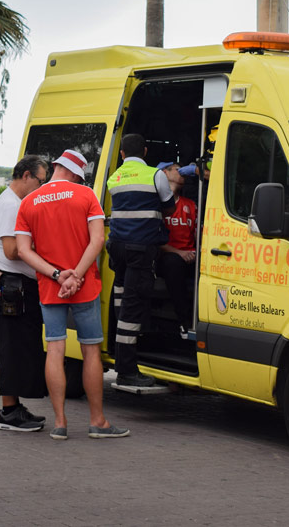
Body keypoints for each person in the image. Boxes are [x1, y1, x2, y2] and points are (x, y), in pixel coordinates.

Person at [15, 149, 129, 440]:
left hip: (50, 287)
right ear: (77, 174)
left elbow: (23, 251)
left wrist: (57, 275)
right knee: (91, 351)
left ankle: (60, 423)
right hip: (84, 286)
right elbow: (98, 240)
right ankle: (97, 421)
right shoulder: (86, 195)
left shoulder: (28, 202)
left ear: (56, 166)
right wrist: (76, 275)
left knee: (55, 349)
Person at [106, 134, 176, 387]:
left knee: (121, 296)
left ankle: (120, 347)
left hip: (117, 248)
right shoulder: (155, 175)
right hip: (140, 249)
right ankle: (127, 371)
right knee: (132, 308)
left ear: (122, 153)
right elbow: (170, 207)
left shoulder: (114, 178)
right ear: (145, 151)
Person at [0, 155, 49, 431]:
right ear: (26, 176)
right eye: (40, 180)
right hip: (14, 285)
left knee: (18, 348)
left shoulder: (13, 202)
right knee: (13, 350)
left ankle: (14, 407)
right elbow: (13, 250)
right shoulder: (11, 205)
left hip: (16, 284)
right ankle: (9, 412)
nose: (41, 186)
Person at [154, 162, 198, 338]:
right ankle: (184, 322)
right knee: (173, 263)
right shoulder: (156, 204)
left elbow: (197, 234)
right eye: (178, 170)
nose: (183, 174)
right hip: (167, 257)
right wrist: (179, 253)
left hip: (190, 255)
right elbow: (153, 239)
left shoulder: (191, 205)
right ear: (165, 173)